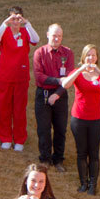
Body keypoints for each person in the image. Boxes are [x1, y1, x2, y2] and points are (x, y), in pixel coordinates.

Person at [62, 44, 100, 194]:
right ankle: (83, 183)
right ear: (83, 57)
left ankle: (93, 184)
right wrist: (80, 69)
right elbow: (65, 84)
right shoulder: (77, 72)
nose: (91, 58)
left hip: (95, 119)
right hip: (79, 118)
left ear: (97, 57)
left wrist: (99, 71)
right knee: (81, 152)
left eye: (93, 55)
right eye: (88, 55)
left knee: (93, 153)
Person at [0, 7, 40, 150]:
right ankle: (5, 137)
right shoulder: (4, 31)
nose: (15, 21)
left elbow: (36, 40)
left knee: (19, 109)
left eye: (18, 18)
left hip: (21, 77)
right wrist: (5, 23)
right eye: (13, 18)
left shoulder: (25, 32)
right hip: (4, 76)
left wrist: (27, 23)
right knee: (4, 108)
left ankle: (19, 139)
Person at [33, 24, 73, 169]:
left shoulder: (68, 53)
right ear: (47, 35)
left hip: (60, 95)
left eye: (59, 36)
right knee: (43, 129)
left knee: (60, 129)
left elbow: (69, 77)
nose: (56, 39)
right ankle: (45, 159)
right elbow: (39, 76)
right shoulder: (39, 53)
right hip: (43, 95)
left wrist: (57, 94)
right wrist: (58, 80)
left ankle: (58, 160)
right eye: (54, 35)